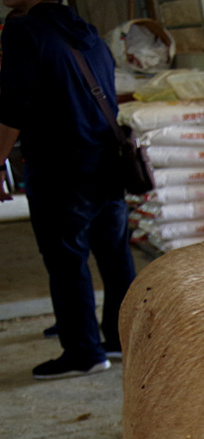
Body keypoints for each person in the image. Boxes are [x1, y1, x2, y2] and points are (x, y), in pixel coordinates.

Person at [0, 0, 134, 379]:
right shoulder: (87, 33)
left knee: (65, 259)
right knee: (114, 254)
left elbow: (13, 106)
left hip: (62, 167)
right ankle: (120, 338)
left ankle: (83, 351)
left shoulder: (24, 32)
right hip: (107, 160)